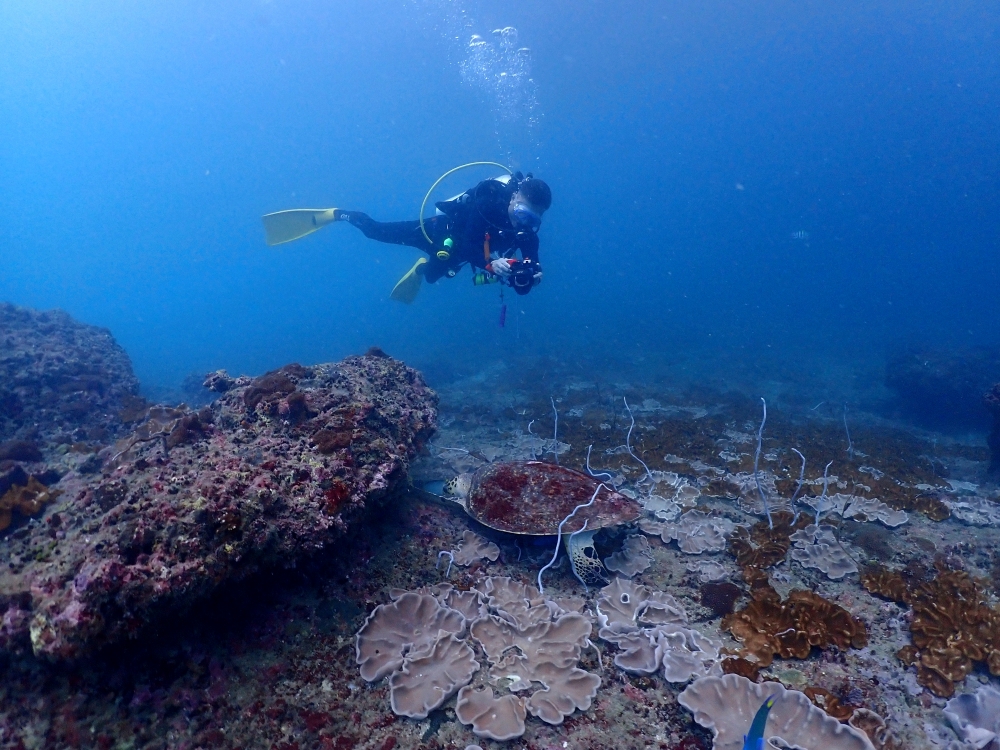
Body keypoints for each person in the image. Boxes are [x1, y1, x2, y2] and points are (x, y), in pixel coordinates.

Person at [334, 171, 551, 303]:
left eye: (532, 220)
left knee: (431, 277)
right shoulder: (488, 204)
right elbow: (469, 244)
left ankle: (422, 267)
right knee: (376, 231)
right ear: (513, 197)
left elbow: (528, 274)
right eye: (522, 214)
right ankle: (338, 214)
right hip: (440, 232)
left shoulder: (528, 235)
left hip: (459, 255)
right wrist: (491, 264)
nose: (523, 223)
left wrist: (533, 276)